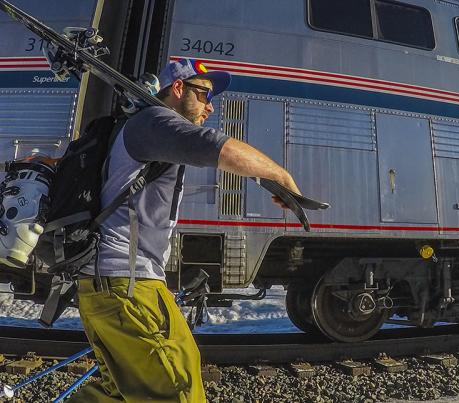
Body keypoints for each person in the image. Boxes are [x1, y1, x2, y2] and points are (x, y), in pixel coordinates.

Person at [67, 58, 301, 402]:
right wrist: (280, 176)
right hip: (128, 288)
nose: (211, 106)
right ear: (178, 88)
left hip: (109, 287)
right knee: (179, 388)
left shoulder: (141, 128)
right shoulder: (155, 121)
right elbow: (216, 146)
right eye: (204, 94)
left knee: (116, 393)